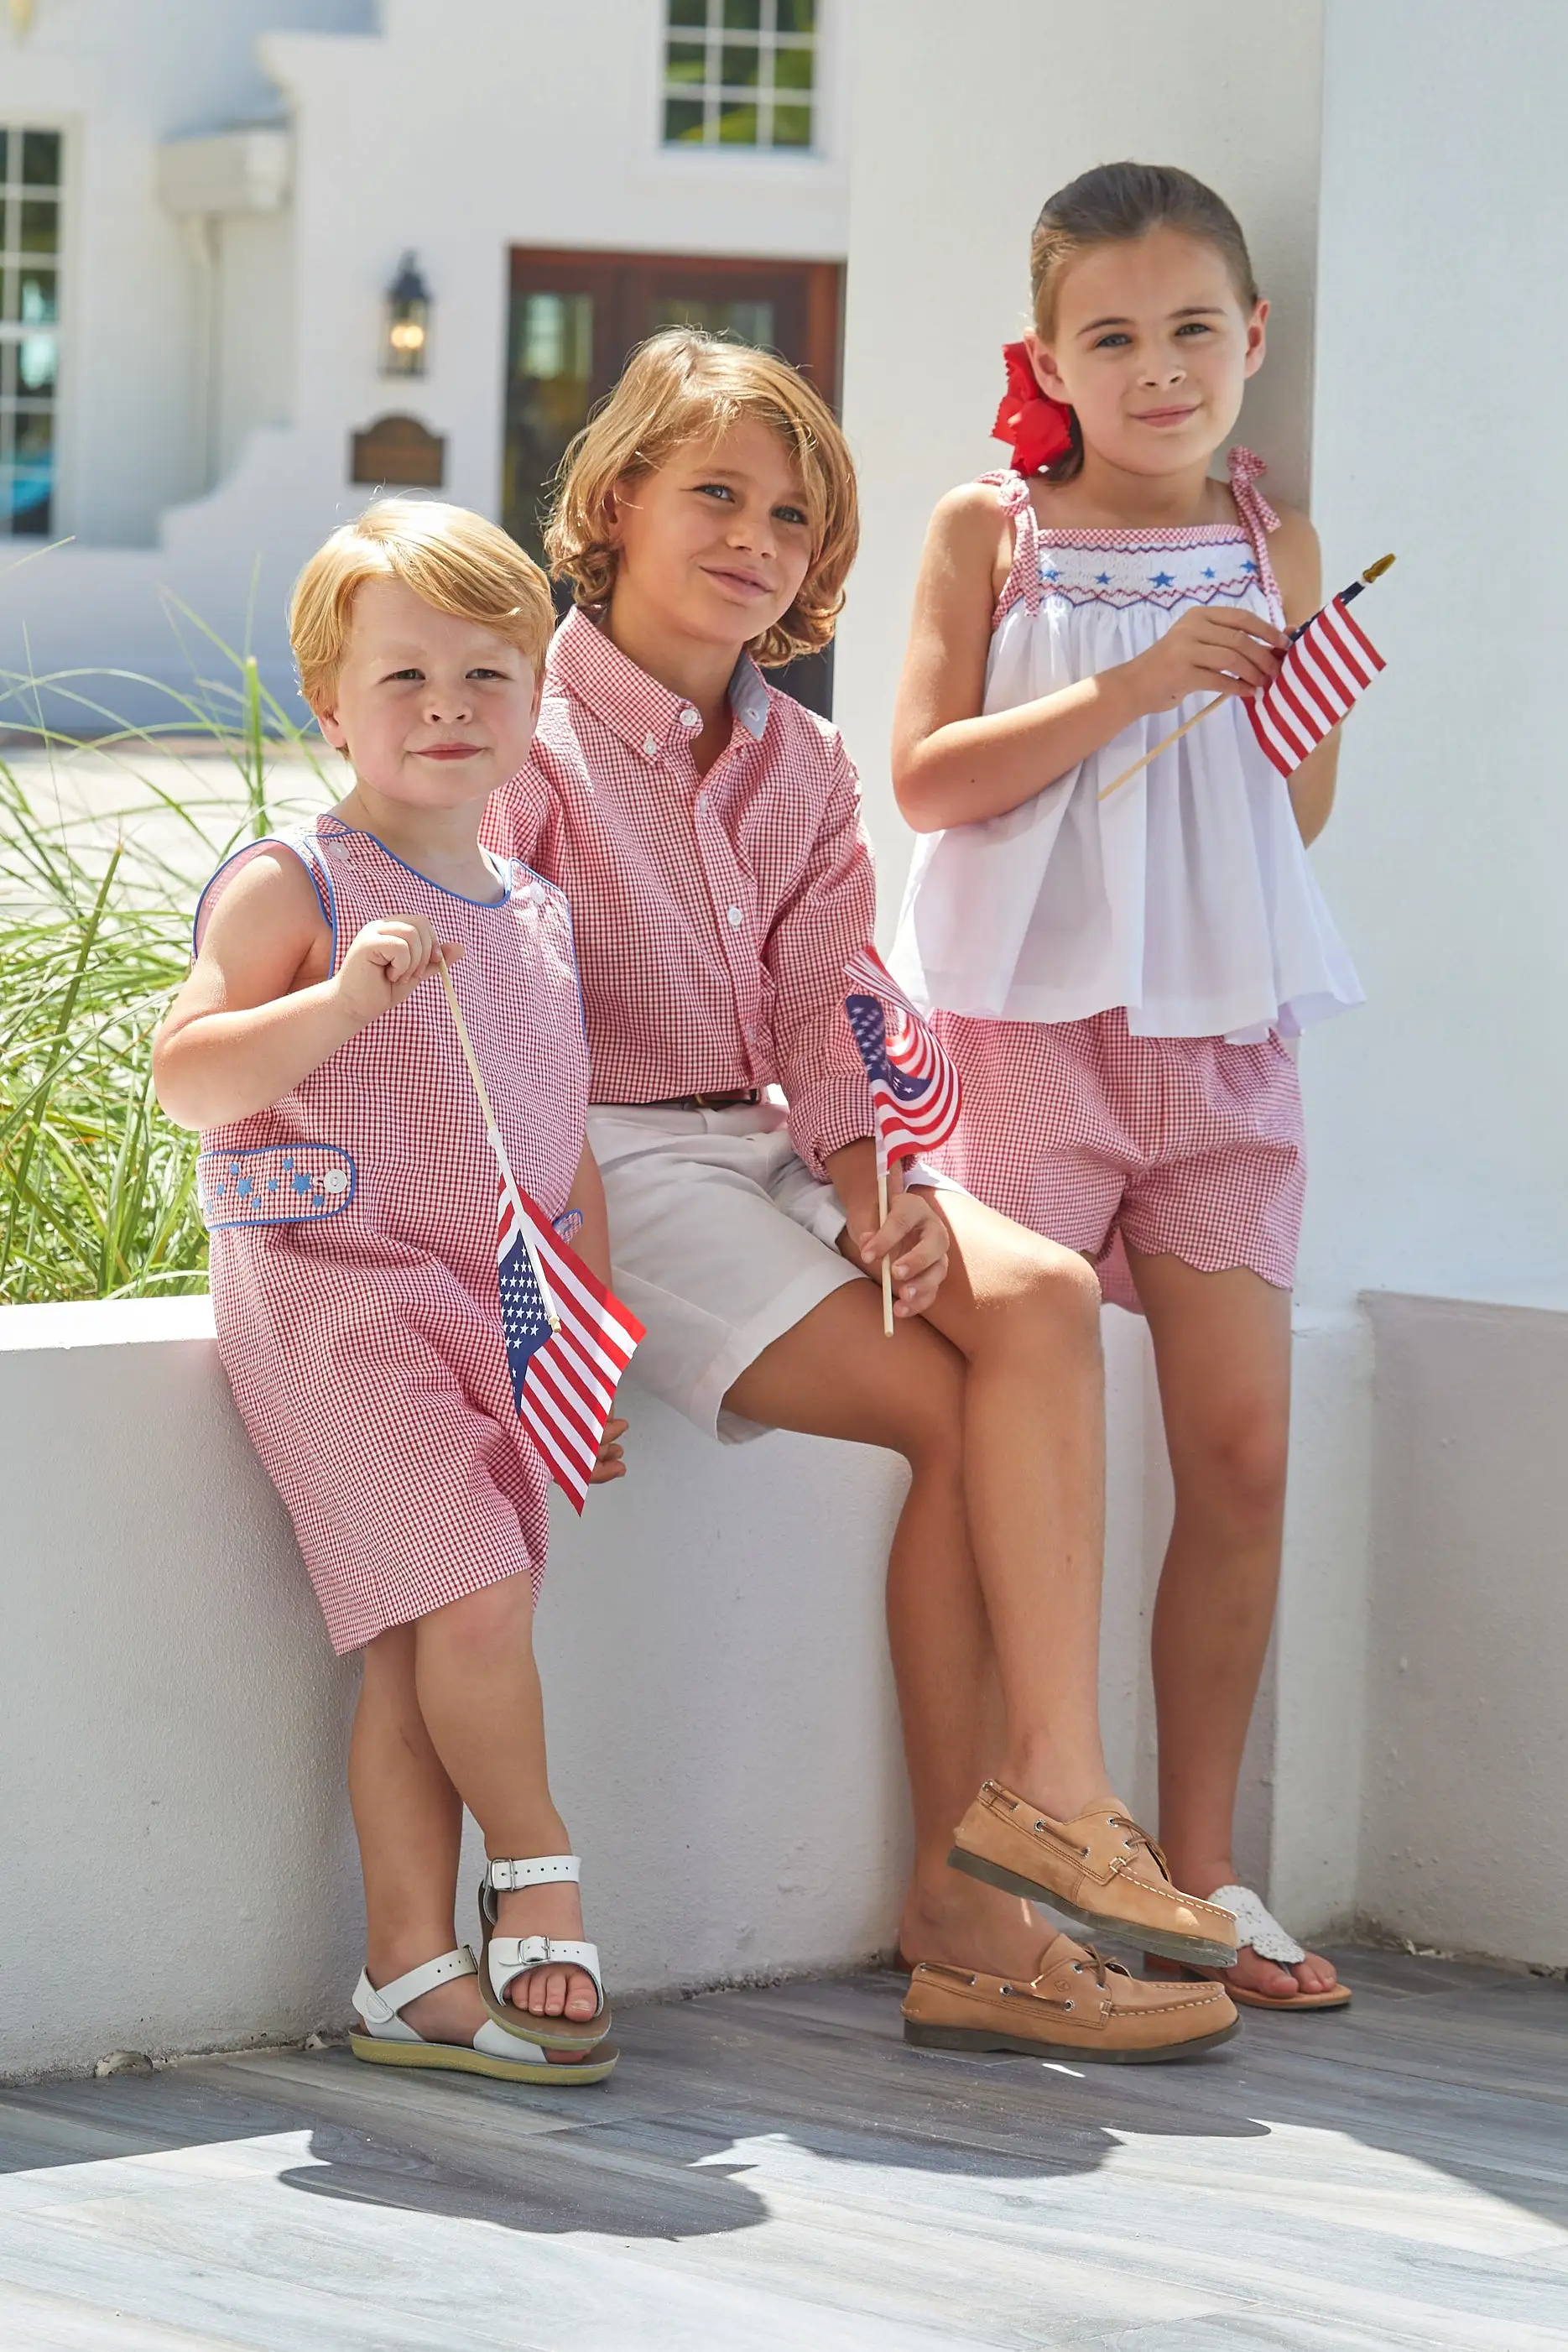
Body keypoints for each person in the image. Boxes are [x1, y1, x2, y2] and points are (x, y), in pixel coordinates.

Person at [486, 327, 1241, 2063]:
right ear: (615, 501)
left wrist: (875, 1184)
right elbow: (489, 1016)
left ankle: (1051, 1791)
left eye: (795, 515)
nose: (757, 539)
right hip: (614, 1170)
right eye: (717, 497)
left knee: (1037, 1288)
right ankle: (963, 1918)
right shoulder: (523, 733)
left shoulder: (805, 771)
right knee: (955, 1420)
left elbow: (835, 1008)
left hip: (771, 1145)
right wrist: (546, 1273)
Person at [889, 163, 1361, 2012]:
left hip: (1227, 1040)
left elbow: (1297, 815)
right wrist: (1137, 681)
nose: (1157, 368)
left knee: (1239, 1452)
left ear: (1250, 341)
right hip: (1029, 1040)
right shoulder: (989, 531)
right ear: (1051, 357)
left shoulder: (1282, 538)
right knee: (1029, 1426)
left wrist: (1274, 708)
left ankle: (1201, 1868)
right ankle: (1030, 1857)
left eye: (1190, 331)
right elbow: (925, 780)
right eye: (1113, 335)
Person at [154, 500, 628, 2085]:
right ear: (329, 704)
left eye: (488, 677)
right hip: (334, 1299)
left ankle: (409, 1966)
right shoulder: (300, 881)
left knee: (427, 1642)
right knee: (475, 1600)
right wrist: (342, 999)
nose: (446, 709)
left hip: (488, 1315)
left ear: (537, 696)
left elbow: (563, 1152)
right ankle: (540, 1856)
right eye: (405, 676)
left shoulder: (537, 911)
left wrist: (591, 1338)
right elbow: (187, 1072)